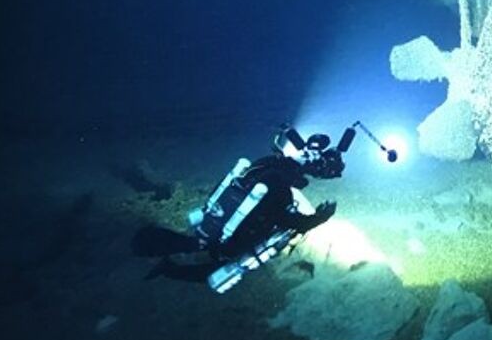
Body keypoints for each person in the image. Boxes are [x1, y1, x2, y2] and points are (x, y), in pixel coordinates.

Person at [132, 124, 348, 293]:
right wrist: (320, 217)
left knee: (197, 243)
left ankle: (152, 244)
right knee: (216, 271)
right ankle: (166, 267)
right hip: (236, 238)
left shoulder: (266, 164)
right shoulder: (280, 185)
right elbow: (288, 221)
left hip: (216, 219)